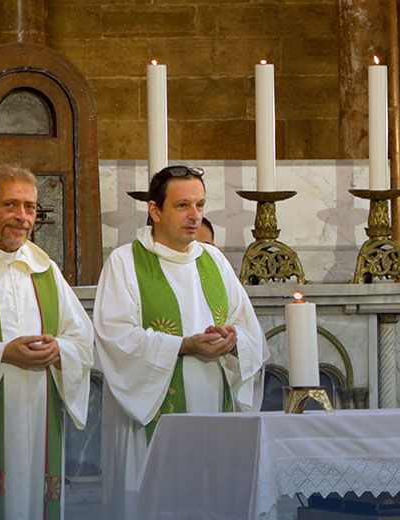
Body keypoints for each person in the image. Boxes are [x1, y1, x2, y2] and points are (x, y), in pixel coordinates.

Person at [94, 165, 269, 517]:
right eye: (183, 206)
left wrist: (234, 342)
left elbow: (252, 332)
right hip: (149, 418)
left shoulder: (214, 261)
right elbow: (115, 338)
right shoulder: (125, 262)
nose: (195, 216)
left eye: (200, 205)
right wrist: (183, 346)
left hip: (212, 415)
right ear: (154, 210)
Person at [0, 163, 93, 520]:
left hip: (39, 416)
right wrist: (1, 354)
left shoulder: (44, 269)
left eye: (30, 207)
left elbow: (82, 342)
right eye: (10, 205)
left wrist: (60, 351)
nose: (22, 217)